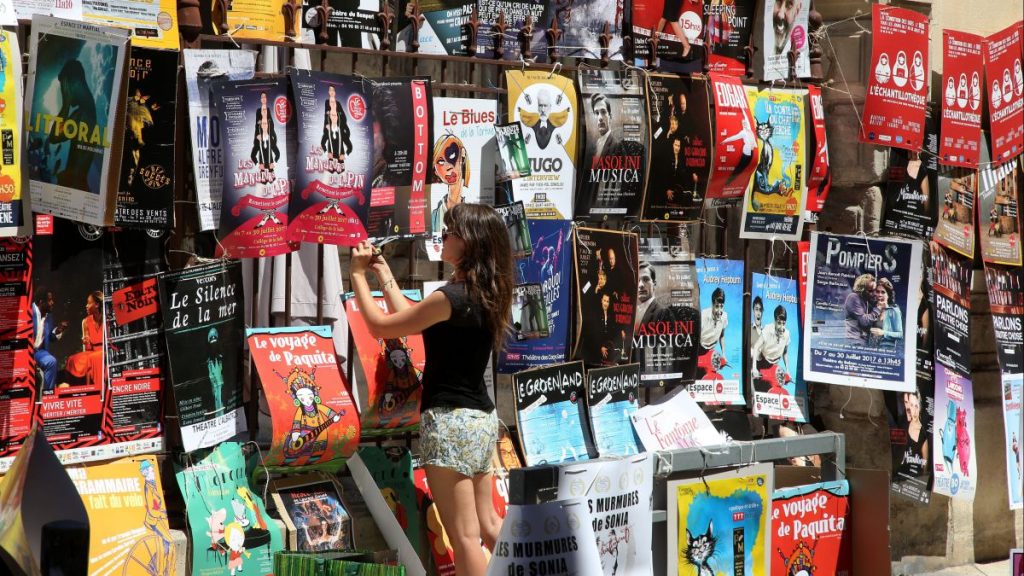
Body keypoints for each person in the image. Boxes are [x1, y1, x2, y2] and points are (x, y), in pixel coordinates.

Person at [349, 203, 513, 576]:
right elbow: (412, 319)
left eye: (451, 232)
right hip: (481, 420)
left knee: (464, 536)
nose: (444, 237)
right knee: (488, 523)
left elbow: (380, 327)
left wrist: (357, 274)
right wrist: (384, 273)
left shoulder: (450, 298)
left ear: (470, 242)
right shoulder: (487, 293)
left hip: (450, 423)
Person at [49, 59, 98, 191]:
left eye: (64, 87)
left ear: (74, 83)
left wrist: (65, 104)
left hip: (73, 186)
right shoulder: (87, 110)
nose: (63, 92)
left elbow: (54, 137)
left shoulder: (82, 114)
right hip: (76, 185)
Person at [140, 460, 175, 575]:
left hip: (158, 516)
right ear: (146, 472)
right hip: (153, 520)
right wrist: (160, 513)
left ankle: (158, 566)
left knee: (166, 543)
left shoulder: (153, 484)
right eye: (151, 470)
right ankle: (164, 571)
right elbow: (152, 507)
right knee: (170, 541)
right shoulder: (148, 487)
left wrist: (162, 511)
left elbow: (157, 504)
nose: (153, 472)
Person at [430, 134, 468, 238]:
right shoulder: (433, 218)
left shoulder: (474, 210)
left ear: (462, 154)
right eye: (441, 161)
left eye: (452, 155)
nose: (448, 167)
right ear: (436, 171)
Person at [30, 288, 66, 393]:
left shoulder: (48, 316)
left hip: (39, 352)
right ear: (41, 302)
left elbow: (50, 337)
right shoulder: (28, 312)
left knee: (52, 361)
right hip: (25, 352)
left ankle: (48, 395)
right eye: (50, 300)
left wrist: (58, 330)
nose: (52, 302)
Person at [65, 290, 104, 387]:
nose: (86, 306)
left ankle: (94, 389)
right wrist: (87, 342)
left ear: (97, 305)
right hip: (92, 352)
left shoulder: (107, 318)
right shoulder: (85, 322)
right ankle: (75, 389)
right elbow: (87, 349)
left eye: (89, 303)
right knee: (71, 359)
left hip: (105, 350)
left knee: (91, 358)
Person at [750, 305, 791, 394]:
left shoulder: (787, 334)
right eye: (779, 323)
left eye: (783, 324)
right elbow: (756, 346)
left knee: (775, 390)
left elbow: (785, 352)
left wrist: (787, 370)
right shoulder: (767, 329)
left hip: (774, 365)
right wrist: (754, 368)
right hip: (762, 362)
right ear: (774, 321)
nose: (781, 327)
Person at [896, 389, 928, 479]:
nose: (913, 411)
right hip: (900, 478)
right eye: (911, 405)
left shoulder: (923, 434)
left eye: (916, 406)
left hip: (916, 480)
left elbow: (925, 467)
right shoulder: (903, 425)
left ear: (920, 407)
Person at [697, 287, 728, 378]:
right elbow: (694, 338)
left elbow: (722, 336)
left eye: (721, 307)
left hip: (711, 352)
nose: (719, 311)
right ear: (712, 305)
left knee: (716, 377)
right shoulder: (703, 316)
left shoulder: (724, 317)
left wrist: (724, 354)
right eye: (717, 306)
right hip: (699, 350)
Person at [321, 85, 352, 167]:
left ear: (335, 92)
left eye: (333, 90)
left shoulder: (338, 103)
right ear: (328, 92)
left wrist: (348, 151)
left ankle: (340, 166)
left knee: (340, 165)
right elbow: (326, 116)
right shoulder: (326, 102)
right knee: (330, 166)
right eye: (330, 90)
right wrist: (326, 125)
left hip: (338, 127)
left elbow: (343, 116)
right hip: (330, 128)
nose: (331, 92)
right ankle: (331, 167)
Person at [844, 273, 879, 343]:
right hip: (853, 341)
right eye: (870, 291)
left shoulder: (866, 301)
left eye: (875, 290)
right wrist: (878, 308)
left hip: (862, 341)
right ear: (861, 289)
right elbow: (864, 321)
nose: (874, 293)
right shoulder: (853, 297)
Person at [870, 278, 903, 348]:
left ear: (888, 295)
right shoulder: (874, 309)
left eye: (883, 292)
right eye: (877, 292)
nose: (879, 295)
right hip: (873, 349)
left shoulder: (894, 310)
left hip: (887, 350)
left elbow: (900, 334)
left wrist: (883, 333)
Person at [590, 93, 621, 159]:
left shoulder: (617, 146)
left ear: (610, 116)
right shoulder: (596, 144)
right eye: (597, 113)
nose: (600, 118)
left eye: (603, 112)